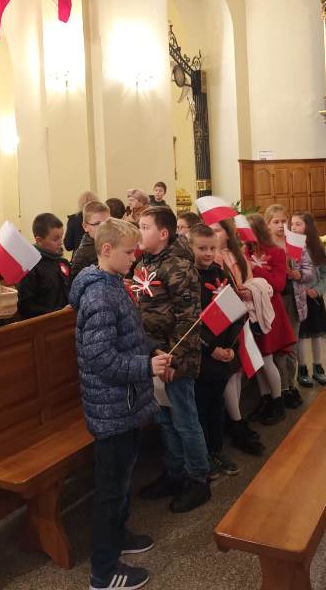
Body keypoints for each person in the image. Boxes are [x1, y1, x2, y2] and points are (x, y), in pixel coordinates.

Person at [70, 218, 171, 590]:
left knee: (124, 478)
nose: (135, 258)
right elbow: (101, 360)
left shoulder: (114, 283)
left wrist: (152, 350)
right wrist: (145, 367)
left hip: (124, 403)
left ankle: (119, 535)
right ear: (106, 250)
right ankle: (103, 571)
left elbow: (130, 335)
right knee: (110, 489)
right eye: (129, 252)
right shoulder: (98, 295)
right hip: (110, 407)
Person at [135, 206, 211, 513]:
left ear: (163, 233)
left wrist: (173, 359)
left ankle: (198, 479)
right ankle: (175, 472)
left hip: (175, 356)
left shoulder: (178, 265)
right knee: (165, 419)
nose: (139, 232)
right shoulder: (145, 261)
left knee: (184, 419)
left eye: (145, 227)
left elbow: (189, 318)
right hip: (155, 354)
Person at [210, 218, 265, 456]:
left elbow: (248, 281)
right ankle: (236, 423)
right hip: (224, 319)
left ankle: (237, 418)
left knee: (238, 371)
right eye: (210, 231)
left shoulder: (237, 255)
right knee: (230, 372)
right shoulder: (214, 257)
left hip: (239, 316)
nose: (214, 234)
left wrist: (248, 290)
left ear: (228, 233)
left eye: (217, 230)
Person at [191, 223, 241, 479]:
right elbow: (189, 323)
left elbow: (234, 312)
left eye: (212, 248)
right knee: (201, 407)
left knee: (216, 404)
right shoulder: (188, 278)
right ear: (190, 247)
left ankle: (217, 450)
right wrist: (211, 349)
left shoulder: (220, 274)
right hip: (202, 355)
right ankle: (204, 456)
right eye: (202, 248)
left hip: (222, 350)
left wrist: (230, 347)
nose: (208, 253)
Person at [245, 214, 297, 425]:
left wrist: (255, 268)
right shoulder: (246, 251)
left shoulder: (276, 252)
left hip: (270, 311)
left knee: (267, 358)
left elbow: (279, 284)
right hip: (252, 311)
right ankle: (265, 399)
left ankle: (277, 402)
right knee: (258, 359)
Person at [264, 204, 305, 409]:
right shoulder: (265, 246)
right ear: (267, 224)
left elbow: (310, 269)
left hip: (294, 299)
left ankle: (292, 383)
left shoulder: (294, 242)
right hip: (276, 300)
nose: (281, 225)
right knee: (280, 346)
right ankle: (282, 388)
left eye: (283, 221)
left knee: (292, 344)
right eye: (276, 222)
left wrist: (300, 274)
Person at [291, 211, 326, 388]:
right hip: (297, 297)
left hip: (313, 298)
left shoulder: (317, 248)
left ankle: (318, 366)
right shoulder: (289, 247)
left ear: (308, 227)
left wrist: (318, 290)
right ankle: (302, 369)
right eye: (292, 224)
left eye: (298, 224)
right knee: (300, 335)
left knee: (316, 334)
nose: (294, 227)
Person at [17, 213, 71, 318]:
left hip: (65, 319)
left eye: (61, 237)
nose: (61, 242)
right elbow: (25, 305)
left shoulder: (63, 262)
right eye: (55, 239)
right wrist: (56, 312)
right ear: (39, 240)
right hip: (43, 323)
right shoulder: (30, 266)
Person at [70, 201, 110, 283]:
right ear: (85, 227)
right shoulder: (82, 255)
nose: (104, 227)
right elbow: (76, 285)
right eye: (97, 224)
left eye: (107, 223)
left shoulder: (110, 244)